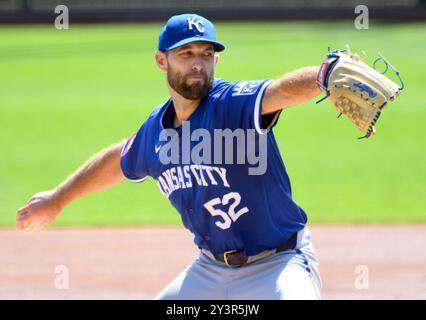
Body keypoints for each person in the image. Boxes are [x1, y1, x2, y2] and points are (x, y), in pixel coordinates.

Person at [16, 13, 323, 299]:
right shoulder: (155, 131)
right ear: (161, 60)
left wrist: (324, 75)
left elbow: (282, 90)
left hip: (279, 264)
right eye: (186, 54)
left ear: (216, 59)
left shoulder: (231, 104)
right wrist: (57, 199)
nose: (198, 65)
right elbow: (117, 161)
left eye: (205, 54)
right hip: (210, 270)